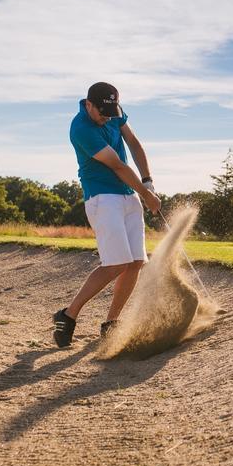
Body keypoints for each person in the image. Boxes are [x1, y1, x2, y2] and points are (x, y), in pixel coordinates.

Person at [52, 81, 161, 347]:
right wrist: (147, 196)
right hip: (102, 197)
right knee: (116, 263)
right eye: (101, 113)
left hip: (129, 194)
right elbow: (118, 165)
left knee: (135, 262)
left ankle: (111, 322)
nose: (106, 118)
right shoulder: (81, 129)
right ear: (88, 104)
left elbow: (134, 143)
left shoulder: (112, 111)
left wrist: (147, 182)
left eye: (110, 113)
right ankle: (68, 315)